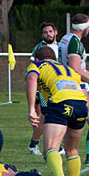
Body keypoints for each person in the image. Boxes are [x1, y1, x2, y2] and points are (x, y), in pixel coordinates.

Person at [26, 47, 86, 176]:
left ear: (37, 59)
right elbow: (85, 95)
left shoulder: (37, 65)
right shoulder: (68, 69)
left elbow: (31, 78)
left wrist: (31, 109)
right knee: (72, 149)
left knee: (50, 148)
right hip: (81, 105)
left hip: (60, 102)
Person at [58, 13, 89, 166]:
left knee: (68, 122)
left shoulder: (65, 39)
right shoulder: (75, 43)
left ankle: (60, 150)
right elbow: (75, 69)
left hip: (64, 86)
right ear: (83, 28)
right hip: (78, 87)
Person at [28, 22, 58, 156]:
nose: (48, 34)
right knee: (47, 116)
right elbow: (33, 69)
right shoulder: (39, 48)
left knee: (52, 116)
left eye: (50, 32)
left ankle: (36, 143)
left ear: (55, 32)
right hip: (44, 88)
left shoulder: (60, 46)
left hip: (57, 87)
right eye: (45, 32)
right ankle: (38, 144)